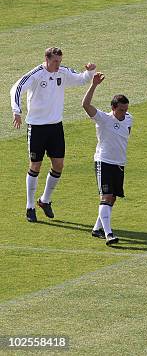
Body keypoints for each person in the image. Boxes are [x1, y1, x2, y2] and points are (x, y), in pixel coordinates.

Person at [9, 47, 96, 222]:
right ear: (46, 59)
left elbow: (80, 79)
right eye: (55, 61)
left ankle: (45, 200)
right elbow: (16, 88)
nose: (58, 65)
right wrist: (16, 110)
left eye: (60, 61)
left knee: (59, 165)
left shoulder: (62, 72)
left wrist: (89, 72)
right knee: (35, 166)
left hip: (56, 127)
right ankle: (30, 206)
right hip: (37, 127)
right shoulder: (36, 74)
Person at [82, 73, 132, 245]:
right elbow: (85, 105)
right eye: (121, 110)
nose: (124, 113)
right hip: (104, 162)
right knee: (106, 195)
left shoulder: (129, 119)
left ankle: (96, 229)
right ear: (113, 107)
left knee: (113, 198)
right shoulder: (103, 119)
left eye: (125, 110)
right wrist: (94, 85)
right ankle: (109, 234)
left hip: (119, 164)